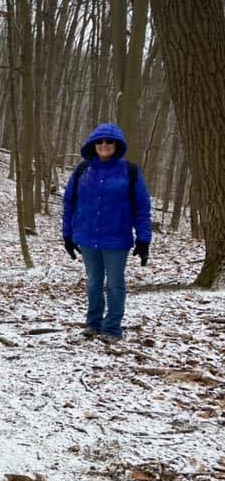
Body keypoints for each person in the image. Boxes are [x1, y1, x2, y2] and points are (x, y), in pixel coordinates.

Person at [62, 123, 152, 343]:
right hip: (87, 236)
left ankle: (112, 328)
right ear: (93, 145)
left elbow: (142, 207)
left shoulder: (130, 171)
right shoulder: (82, 170)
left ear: (117, 145)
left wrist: (143, 239)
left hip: (116, 238)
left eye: (109, 141)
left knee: (114, 283)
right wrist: (67, 234)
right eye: (100, 141)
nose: (104, 145)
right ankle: (93, 324)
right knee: (93, 281)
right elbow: (69, 203)